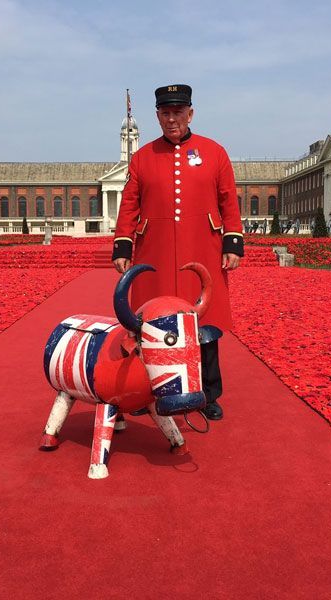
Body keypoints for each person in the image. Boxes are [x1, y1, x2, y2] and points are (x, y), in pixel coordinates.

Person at [112, 84, 243, 421]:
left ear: (190, 113)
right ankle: (144, 391)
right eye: (165, 113)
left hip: (203, 247)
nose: (172, 119)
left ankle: (209, 394)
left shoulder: (215, 152)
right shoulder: (142, 158)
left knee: (205, 324)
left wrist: (232, 241)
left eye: (178, 112)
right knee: (151, 324)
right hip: (154, 251)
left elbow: (229, 199)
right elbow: (129, 204)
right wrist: (123, 244)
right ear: (157, 116)